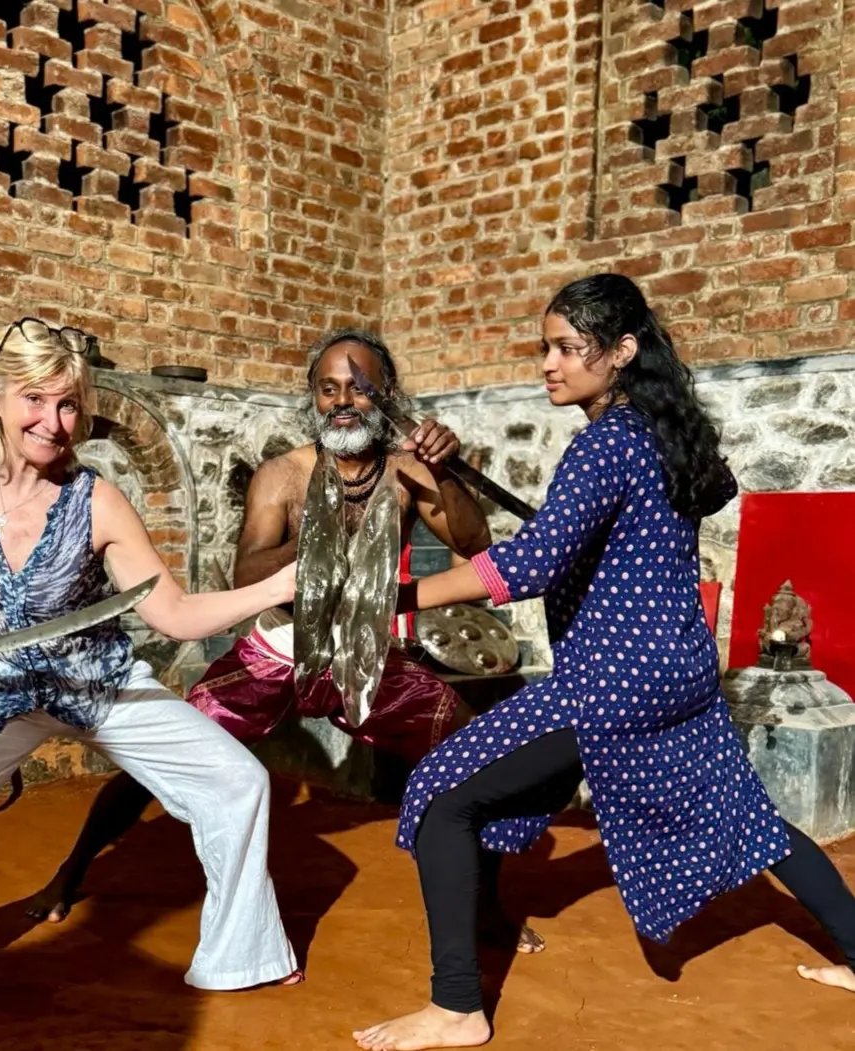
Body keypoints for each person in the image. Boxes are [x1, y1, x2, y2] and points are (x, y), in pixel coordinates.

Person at [352, 274, 855, 1051]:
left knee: (442, 795)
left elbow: (528, 565)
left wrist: (400, 598)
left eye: (564, 348)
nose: (547, 364)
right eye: (544, 347)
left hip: (613, 681)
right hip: (679, 673)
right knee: (746, 816)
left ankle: (456, 1004)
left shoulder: (603, 443)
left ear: (620, 351)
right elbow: (709, 489)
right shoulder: (665, 430)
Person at [0, 318, 301, 1010]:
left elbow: (174, 613)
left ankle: (239, 952)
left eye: (68, 403)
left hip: (95, 681)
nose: (53, 420)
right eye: (36, 399)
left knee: (236, 780)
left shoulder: (96, 499)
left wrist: (275, 589)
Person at [25, 329, 542, 954]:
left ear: (386, 398)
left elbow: (474, 547)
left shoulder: (408, 473)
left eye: (359, 388)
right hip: (275, 654)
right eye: (329, 389)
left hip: (368, 658)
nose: (343, 401)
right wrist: (325, 530)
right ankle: (70, 872)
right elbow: (248, 573)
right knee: (164, 748)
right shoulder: (283, 475)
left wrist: (443, 473)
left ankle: (485, 907)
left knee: (468, 748)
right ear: (312, 398)